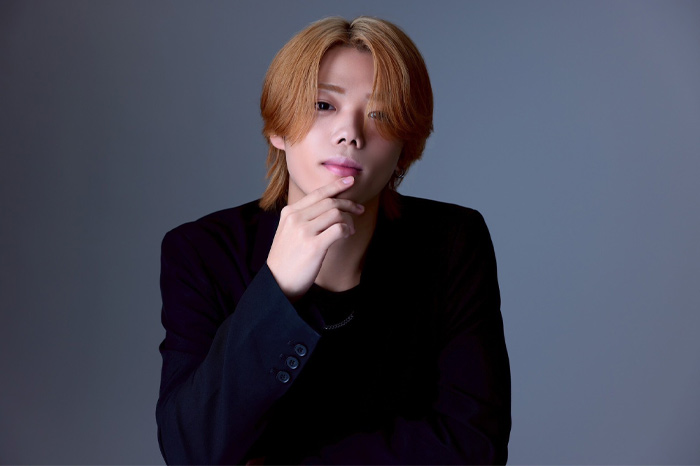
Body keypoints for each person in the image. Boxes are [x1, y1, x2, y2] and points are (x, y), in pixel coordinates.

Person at [156, 16, 511, 465]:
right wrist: (277, 288)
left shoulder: (453, 242)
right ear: (279, 127)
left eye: (381, 114)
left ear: (406, 144)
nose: (351, 133)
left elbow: (475, 446)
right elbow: (191, 450)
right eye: (324, 105)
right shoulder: (201, 252)